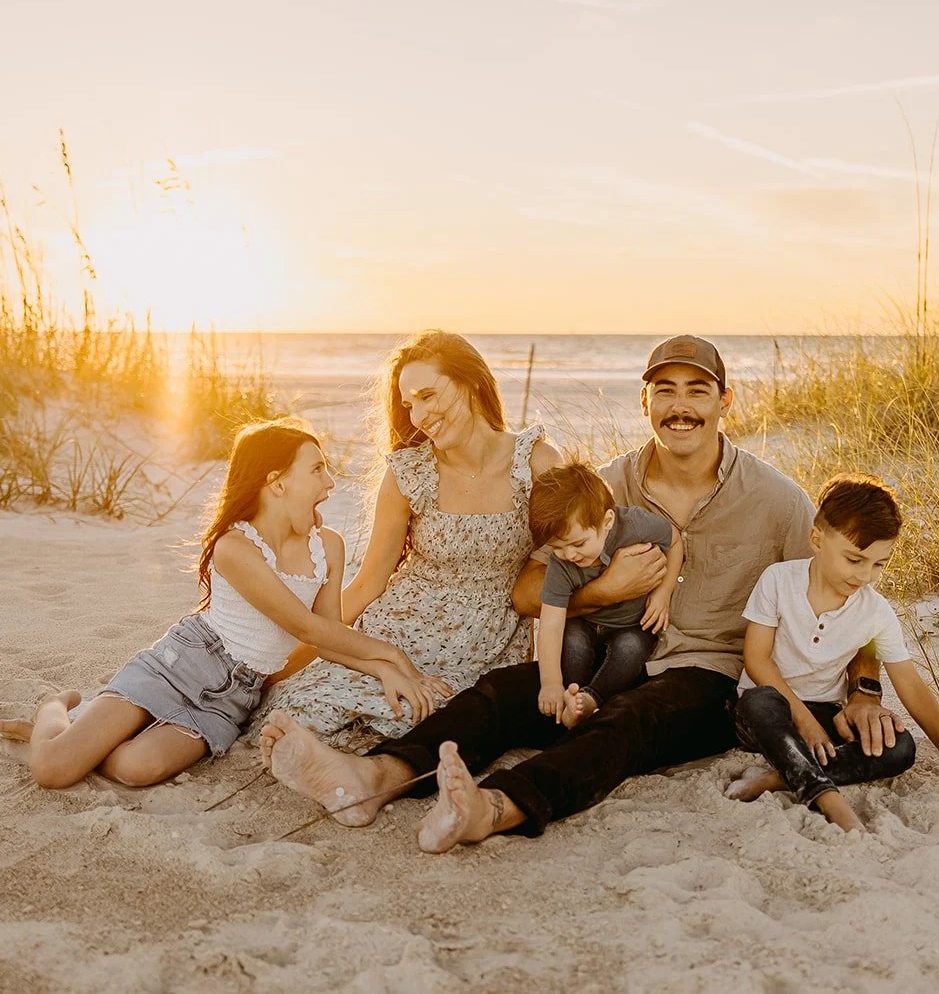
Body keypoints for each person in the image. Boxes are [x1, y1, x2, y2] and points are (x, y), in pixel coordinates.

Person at [258, 334, 904, 851]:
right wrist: (604, 592)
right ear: (643, 403)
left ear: (725, 400)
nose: (681, 406)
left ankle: (493, 807)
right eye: (665, 391)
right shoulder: (602, 487)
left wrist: (866, 690)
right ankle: (374, 776)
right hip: (600, 655)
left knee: (627, 724)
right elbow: (527, 591)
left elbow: (850, 595)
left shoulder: (777, 499)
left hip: (706, 676)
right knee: (501, 692)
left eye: (697, 391)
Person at [0, 419, 448, 789]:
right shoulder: (235, 549)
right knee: (52, 771)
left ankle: (84, 735)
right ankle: (54, 710)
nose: (329, 482)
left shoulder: (328, 545)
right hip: (181, 663)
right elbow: (306, 628)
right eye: (316, 469)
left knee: (135, 769)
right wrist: (394, 657)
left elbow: (329, 639)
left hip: (233, 696)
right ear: (277, 483)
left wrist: (386, 672)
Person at [255, 330, 562, 744]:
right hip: (397, 631)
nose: (417, 417)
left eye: (427, 396)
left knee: (425, 721)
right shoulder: (409, 472)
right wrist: (279, 663)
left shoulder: (536, 462)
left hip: (488, 642)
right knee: (310, 707)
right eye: (409, 405)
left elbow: (569, 560)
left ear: (472, 382)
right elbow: (367, 585)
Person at [730, 474, 939, 831]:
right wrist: (805, 723)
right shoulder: (778, 580)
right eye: (854, 559)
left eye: (878, 564)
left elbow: (909, 684)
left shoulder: (876, 611)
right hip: (765, 715)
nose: (866, 575)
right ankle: (826, 796)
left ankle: (778, 778)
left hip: (826, 714)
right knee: (759, 701)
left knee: (900, 746)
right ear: (817, 540)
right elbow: (756, 660)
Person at [526, 461, 683, 728]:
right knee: (572, 640)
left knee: (631, 649)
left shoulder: (635, 525)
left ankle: (593, 698)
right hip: (587, 621)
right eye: (557, 548)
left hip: (630, 623)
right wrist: (550, 683)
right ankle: (571, 696)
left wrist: (663, 592)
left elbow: (675, 540)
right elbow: (550, 624)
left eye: (578, 543)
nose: (569, 555)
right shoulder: (560, 564)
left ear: (607, 521)